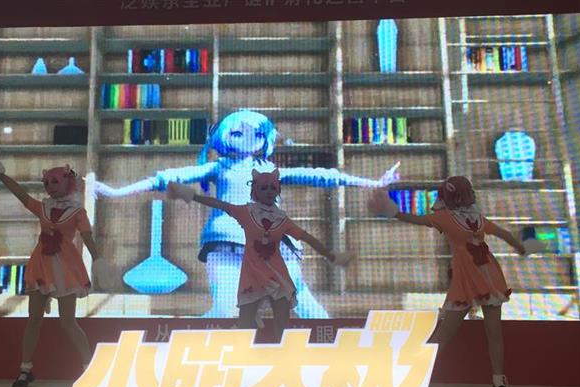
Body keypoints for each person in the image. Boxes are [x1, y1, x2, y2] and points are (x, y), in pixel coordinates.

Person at [93, 109, 399, 319]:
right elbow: (169, 178)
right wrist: (115, 192)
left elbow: (321, 176)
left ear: (265, 139)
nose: (248, 138)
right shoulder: (218, 167)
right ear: (225, 136)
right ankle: (181, 341)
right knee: (226, 311)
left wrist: (373, 182)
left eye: (256, 134)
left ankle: (337, 348)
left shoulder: (269, 169)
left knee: (304, 304)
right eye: (239, 132)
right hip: (227, 245)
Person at [367, 176, 545, 387]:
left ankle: (498, 380)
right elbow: (418, 220)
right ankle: (413, 376)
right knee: (445, 333)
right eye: (469, 191)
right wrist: (392, 211)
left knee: (492, 332)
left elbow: (503, 233)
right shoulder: (448, 217)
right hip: (469, 279)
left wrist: (523, 248)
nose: (473, 194)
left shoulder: (473, 217)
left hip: (488, 277)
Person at [167, 169, 355, 342]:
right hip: (245, 266)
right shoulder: (245, 212)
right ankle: (184, 335)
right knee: (225, 310)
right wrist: (190, 195)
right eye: (263, 188)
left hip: (277, 267)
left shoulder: (280, 220)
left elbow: (306, 237)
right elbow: (219, 205)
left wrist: (331, 256)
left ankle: (331, 341)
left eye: (272, 188)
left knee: (302, 301)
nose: (268, 193)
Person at [0, 148, 116, 387]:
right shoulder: (42, 207)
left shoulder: (77, 211)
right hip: (41, 266)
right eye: (46, 183)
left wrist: (98, 261)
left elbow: (87, 237)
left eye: (55, 182)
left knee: (68, 322)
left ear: (68, 182)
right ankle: (25, 369)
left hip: (66, 269)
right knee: (33, 319)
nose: (49, 187)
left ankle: (89, 367)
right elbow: (20, 194)